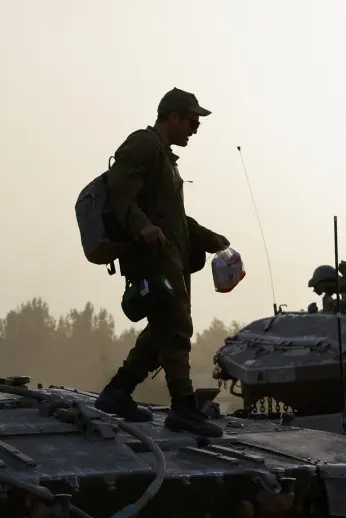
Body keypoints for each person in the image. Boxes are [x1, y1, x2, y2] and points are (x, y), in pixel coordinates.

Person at [93, 88, 231, 438]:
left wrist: (208, 238)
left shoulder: (166, 160)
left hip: (171, 259)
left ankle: (118, 390)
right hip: (151, 259)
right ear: (173, 117)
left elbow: (173, 218)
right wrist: (143, 228)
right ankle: (183, 407)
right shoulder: (143, 144)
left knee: (160, 331)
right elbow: (120, 193)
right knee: (176, 328)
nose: (196, 128)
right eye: (192, 120)